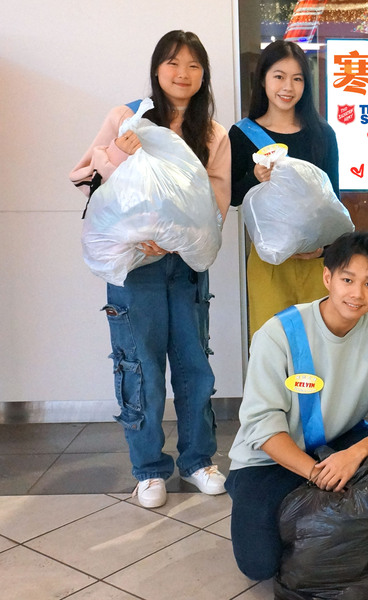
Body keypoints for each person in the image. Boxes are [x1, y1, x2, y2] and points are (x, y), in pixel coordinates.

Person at [69, 30, 231, 509]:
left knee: (194, 365)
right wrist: (121, 150)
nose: (183, 75)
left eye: (194, 66)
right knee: (138, 367)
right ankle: (147, 470)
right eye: (173, 63)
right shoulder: (127, 116)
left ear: (204, 75)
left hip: (184, 266)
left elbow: (217, 201)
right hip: (133, 264)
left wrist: (179, 238)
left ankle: (199, 460)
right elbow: (87, 179)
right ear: (157, 69)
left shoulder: (213, 133)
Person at [225, 231, 368, 581]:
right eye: (347, 280)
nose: (357, 294)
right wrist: (316, 474)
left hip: (340, 444)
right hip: (270, 460)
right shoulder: (278, 333)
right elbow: (263, 425)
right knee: (258, 566)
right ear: (327, 278)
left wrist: (354, 454)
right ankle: (255, 498)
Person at [229, 40, 341, 336]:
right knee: (272, 350)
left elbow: (335, 202)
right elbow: (231, 197)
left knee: (319, 351)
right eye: (279, 76)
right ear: (263, 79)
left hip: (317, 265)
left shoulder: (323, 134)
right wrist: (255, 176)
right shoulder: (242, 134)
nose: (287, 87)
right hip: (269, 265)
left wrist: (323, 249)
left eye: (297, 78)